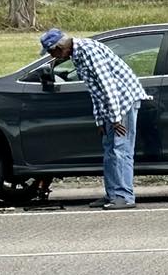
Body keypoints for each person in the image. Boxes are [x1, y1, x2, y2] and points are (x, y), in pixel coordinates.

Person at [40, 28, 148, 210]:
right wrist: (100, 121)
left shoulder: (89, 52)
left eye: (52, 52)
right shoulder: (77, 54)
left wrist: (115, 119)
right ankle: (112, 194)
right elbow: (95, 91)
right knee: (110, 150)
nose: (54, 57)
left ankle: (125, 196)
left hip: (122, 103)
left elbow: (109, 87)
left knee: (121, 150)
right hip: (111, 105)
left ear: (60, 47)